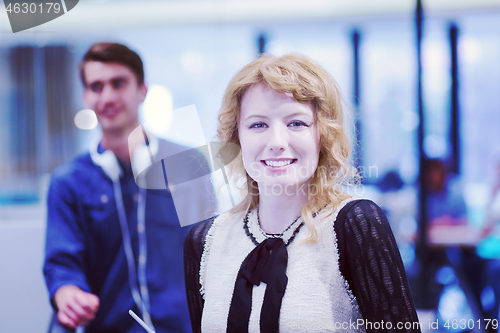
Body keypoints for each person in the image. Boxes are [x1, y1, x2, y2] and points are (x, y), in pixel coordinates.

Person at [184, 54, 420, 332]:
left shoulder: (354, 224)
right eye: (258, 124)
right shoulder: (204, 242)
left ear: (324, 134)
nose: (276, 142)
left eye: (296, 123)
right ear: (237, 138)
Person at [44, 42, 213, 332]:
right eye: (96, 86)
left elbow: (210, 249)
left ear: (142, 90)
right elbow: (62, 265)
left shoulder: (187, 164)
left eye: (118, 83)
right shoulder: (67, 182)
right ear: (85, 96)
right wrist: (67, 293)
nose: (107, 96)